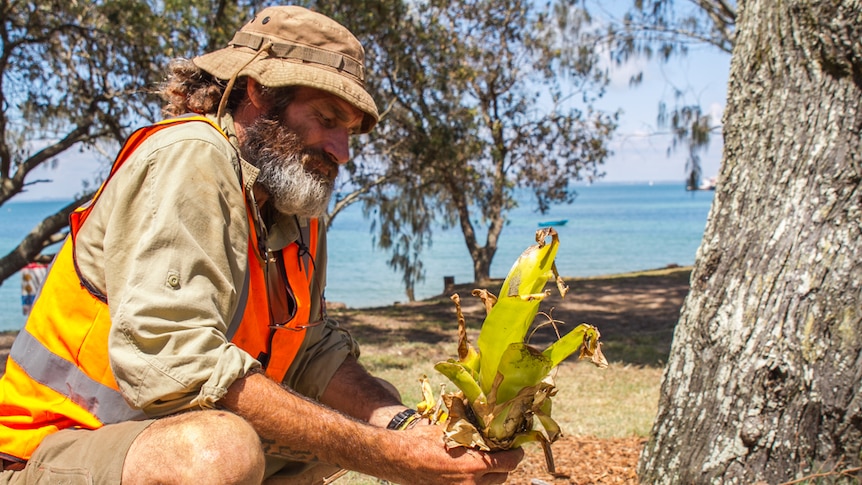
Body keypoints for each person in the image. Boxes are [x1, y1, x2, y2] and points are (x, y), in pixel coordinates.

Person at [0, 6, 523, 484]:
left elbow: (312, 350)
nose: (342, 152)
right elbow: (178, 364)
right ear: (256, 91)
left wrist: (401, 424)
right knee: (218, 453)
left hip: (149, 441)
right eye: (326, 119)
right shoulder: (192, 156)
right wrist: (389, 456)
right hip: (49, 450)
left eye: (351, 131)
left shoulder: (295, 198)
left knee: (346, 425)